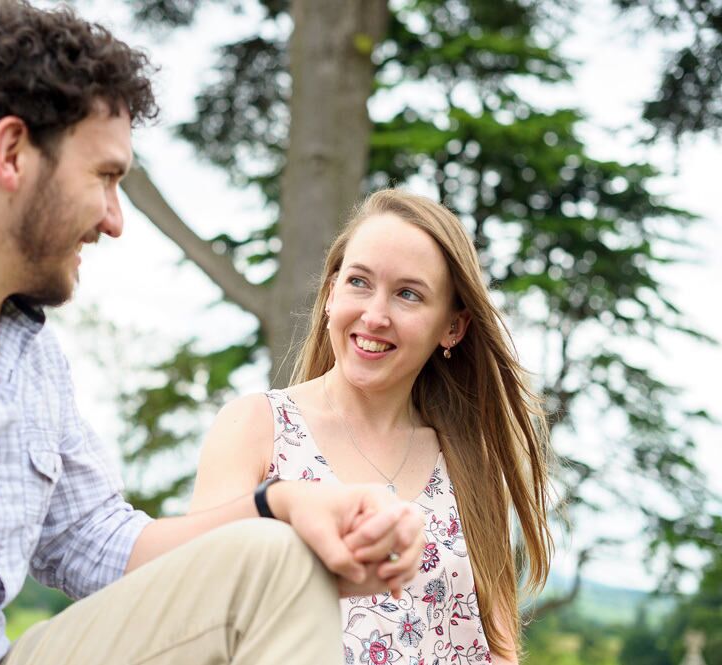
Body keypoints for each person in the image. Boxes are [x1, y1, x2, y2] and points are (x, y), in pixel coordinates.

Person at [0, 3, 427, 664]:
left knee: (275, 554)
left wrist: (283, 503)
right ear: (12, 152)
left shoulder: (33, 356)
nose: (114, 220)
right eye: (105, 177)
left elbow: (99, 541)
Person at [190, 190, 555, 664]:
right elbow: (197, 606)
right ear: (331, 294)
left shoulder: (470, 462)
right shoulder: (256, 427)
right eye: (359, 282)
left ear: (453, 328)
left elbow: (498, 648)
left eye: (408, 294)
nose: (375, 316)